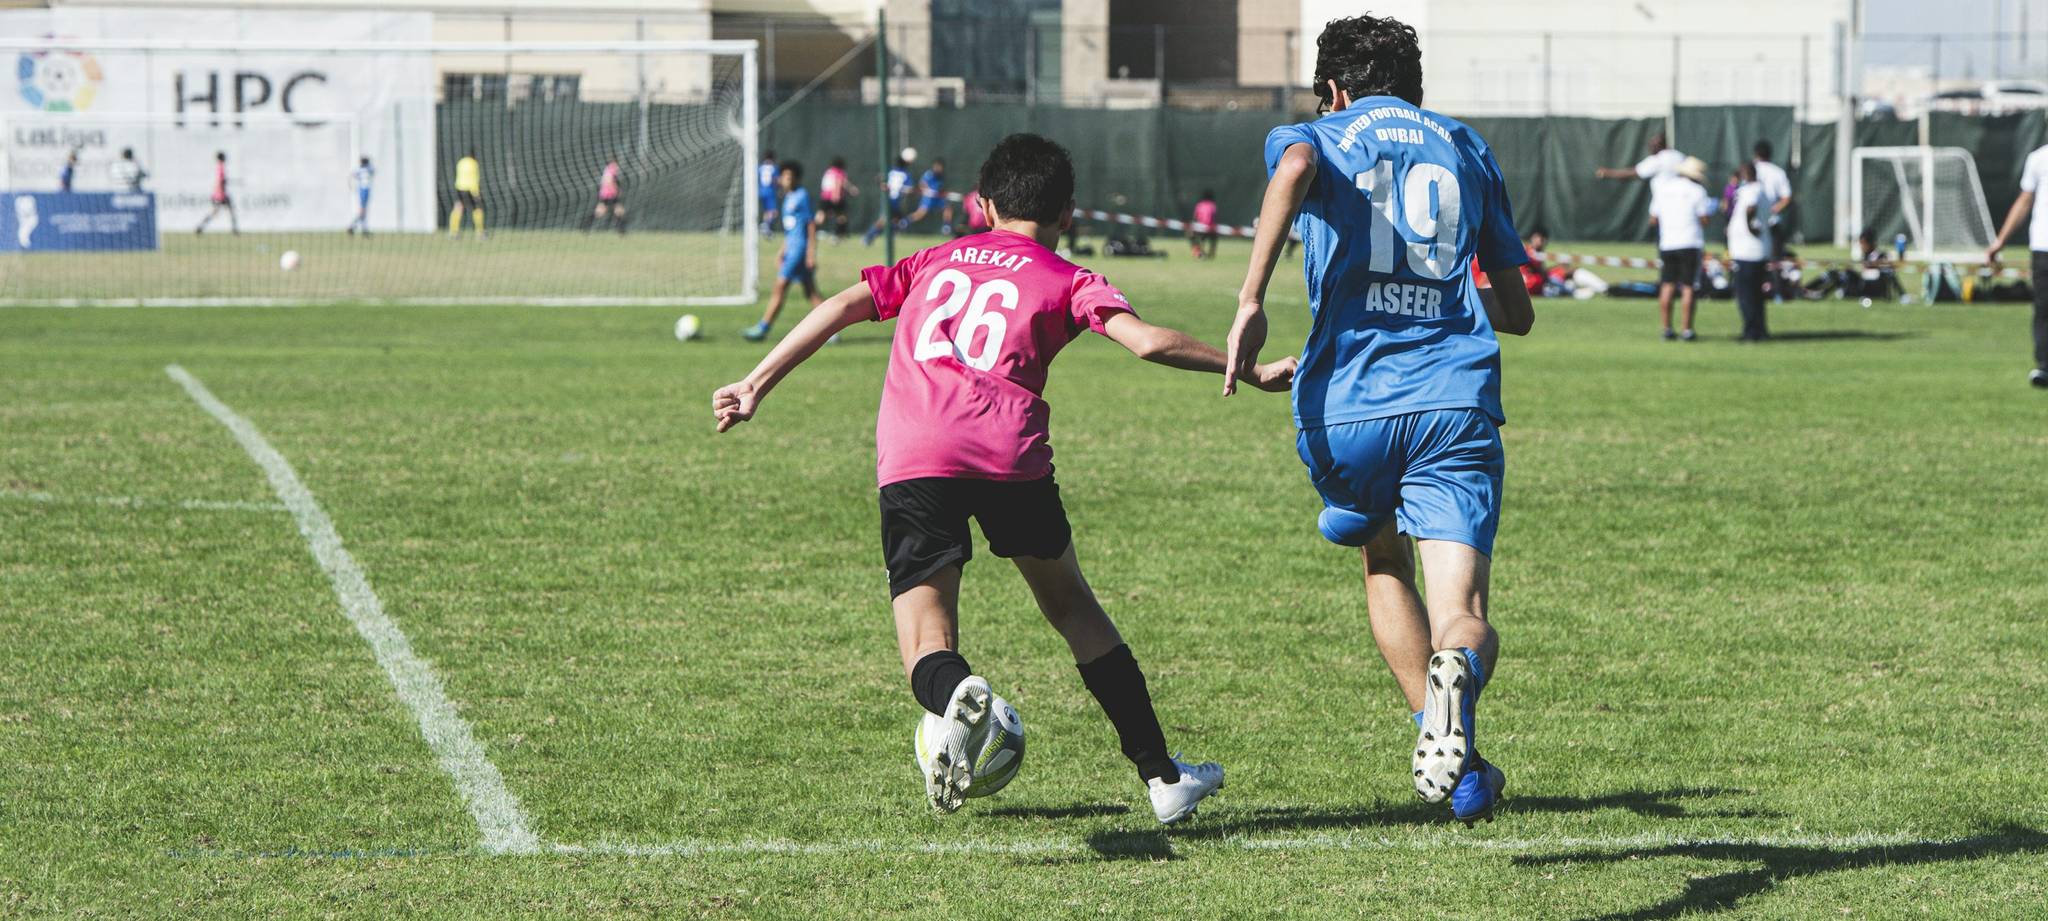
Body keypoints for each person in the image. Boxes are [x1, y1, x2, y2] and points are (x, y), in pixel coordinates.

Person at [714, 133, 1294, 820]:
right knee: (1072, 607)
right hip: (1007, 454)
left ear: (982, 205)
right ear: (1068, 213)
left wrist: (755, 383)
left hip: (915, 454)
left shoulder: (935, 259)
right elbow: (1145, 342)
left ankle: (957, 693)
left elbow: (841, 305)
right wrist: (1248, 369)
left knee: (927, 642)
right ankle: (1163, 776)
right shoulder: (1069, 277)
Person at [1224, 13, 1536, 827]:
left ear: (1333, 89)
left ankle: (1455, 760)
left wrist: (1251, 298)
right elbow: (1516, 312)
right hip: (1453, 399)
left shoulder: (1317, 134)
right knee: (1463, 610)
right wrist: (1443, 287)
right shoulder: (1464, 144)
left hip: (1348, 404)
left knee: (1380, 553)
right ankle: (1456, 680)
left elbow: (1296, 165)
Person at [1985, 138, 2048, 388]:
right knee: (2044, 308)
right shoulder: (2038, 158)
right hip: (2043, 245)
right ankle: (2045, 366)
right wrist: (2001, 240)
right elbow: (2024, 201)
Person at [742, 161, 821, 341]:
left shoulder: (801, 196)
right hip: (792, 250)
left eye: (790, 177)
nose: (786, 180)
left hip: (798, 251)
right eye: (784, 176)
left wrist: (810, 253)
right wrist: (782, 250)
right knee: (811, 292)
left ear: (796, 178)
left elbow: (810, 225)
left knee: (780, 287)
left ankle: (763, 328)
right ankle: (833, 330)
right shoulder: (788, 198)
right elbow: (791, 230)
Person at [1647, 156, 1713, 341]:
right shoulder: (1698, 191)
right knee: (1688, 287)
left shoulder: (1663, 189)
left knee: (1667, 285)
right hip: (1690, 242)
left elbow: (1653, 219)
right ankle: (1687, 330)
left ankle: (1666, 328)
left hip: (1668, 242)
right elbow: (1704, 219)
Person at [1726, 163, 1771, 342]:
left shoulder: (1752, 189)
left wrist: (1750, 227)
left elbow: (1750, 208)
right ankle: (1760, 329)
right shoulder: (1759, 189)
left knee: (1746, 294)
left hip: (1747, 251)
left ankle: (1751, 331)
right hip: (1752, 250)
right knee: (1755, 294)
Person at [863, 151, 916, 246]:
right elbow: (910, 189)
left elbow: (878, 178)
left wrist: (882, 183)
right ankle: (869, 236)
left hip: (887, 199)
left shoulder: (891, 171)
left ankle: (887, 236)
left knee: (896, 219)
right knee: (885, 220)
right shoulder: (905, 174)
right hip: (894, 200)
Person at [1596, 132, 1685, 186]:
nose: (1651, 148)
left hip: (1667, 202)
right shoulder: (1679, 155)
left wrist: (1607, 173)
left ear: (1659, 146)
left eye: (1653, 145)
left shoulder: (1658, 160)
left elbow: (1633, 173)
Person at [904, 158, 953, 233]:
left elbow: (941, 187)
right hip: (928, 198)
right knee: (920, 213)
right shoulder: (928, 174)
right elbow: (922, 184)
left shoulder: (941, 176)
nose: (938, 168)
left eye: (939, 167)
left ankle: (946, 227)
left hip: (938, 198)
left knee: (947, 209)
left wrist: (942, 192)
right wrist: (928, 190)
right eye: (936, 166)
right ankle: (904, 222)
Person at [195, 151, 239, 235]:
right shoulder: (221, 167)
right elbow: (221, 181)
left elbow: (219, 181)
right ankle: (234, 229)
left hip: (218, 194)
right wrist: (223, 192)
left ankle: (200, 227)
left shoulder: (219, 167)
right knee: (228, 211)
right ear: (222, 158)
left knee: (217, 212)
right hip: (221, 194)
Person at [581, 158, 627, 234]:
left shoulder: (607, 169)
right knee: (617, 211)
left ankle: (585, 226)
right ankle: (621, 231)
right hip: (610, 195)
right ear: (614, 162)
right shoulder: (612, 168)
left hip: (605, 194)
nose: (617, 165)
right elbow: (608, 181)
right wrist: (616, 189)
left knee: (606, 211)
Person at [450, 149, 485, 238]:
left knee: (458, 208)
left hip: (459, 188)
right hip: (470, 189)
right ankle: (480, 232)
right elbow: (474, 178)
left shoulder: (461, 162)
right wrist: (476, 193)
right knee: (477, 208)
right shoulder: (474, 164)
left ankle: (454, 232)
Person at [819, 157, 856, 240]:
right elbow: (839, 182)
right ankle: (839, 234)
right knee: (841, 216)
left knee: (821, 216)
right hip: (834, 196)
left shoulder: (828, 172)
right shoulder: (839, 172)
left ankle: (813, 231)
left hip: (824, 197)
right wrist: (837, 195)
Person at [1188, 190, 1219, 260]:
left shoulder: (1199, 205)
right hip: (1210, 228)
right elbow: (1214, 218)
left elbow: (1195, 217)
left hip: (1200, 228)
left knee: (1191, 235)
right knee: (1214, 238)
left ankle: (1197, 252)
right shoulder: (1213, 206)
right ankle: (1211, 253)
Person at [348, 157, 374, 236]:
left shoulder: (364, 169)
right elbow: (352, 175)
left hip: (365, 190)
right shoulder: (364, 169)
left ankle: (363, 229)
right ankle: (353, 226)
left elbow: (352, 175)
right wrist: (351, 186)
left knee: (363, 211)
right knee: (362, 211)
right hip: (363, 190)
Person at [757, 150, 779, 235]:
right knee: (774, 212)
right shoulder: (774, 168)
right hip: (770, 192)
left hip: (761, 191)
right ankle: (765, 225)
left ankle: (766, 229)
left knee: (766, 211)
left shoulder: (760, 167)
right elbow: (775, 180)